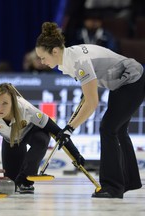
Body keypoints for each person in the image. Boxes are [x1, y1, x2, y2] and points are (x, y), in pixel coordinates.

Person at [35, 22, 144, 198]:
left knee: (108, 129)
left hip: (133, 80)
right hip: (121, 84)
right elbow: (89, 93)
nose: (41, 62)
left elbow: (92, 103)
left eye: (43, 57)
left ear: (55, 51)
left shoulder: (77, 61)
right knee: (118, 130)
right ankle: (129, 180)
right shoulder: (69, 59)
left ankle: (112, 187)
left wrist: (69, 129)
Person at [0, 83, 84, 194]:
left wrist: (75, 153)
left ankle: (26, 180)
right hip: (11, 140)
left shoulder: (26, 109)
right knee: (12, 183)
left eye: (5, 103)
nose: (0, 108)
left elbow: (58, 132)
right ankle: (20, 180)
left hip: (32, 133)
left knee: (42, 140)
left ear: (13, 103)